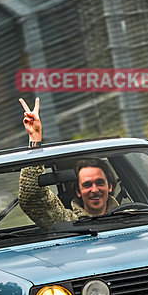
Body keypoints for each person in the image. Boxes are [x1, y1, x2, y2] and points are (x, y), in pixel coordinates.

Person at [17, 98, 119, 230]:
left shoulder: (137, 216)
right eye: (87, 185)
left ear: (110, 186)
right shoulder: (67, 222)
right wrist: (35, 140)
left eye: (99, 183)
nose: (94, 190)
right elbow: (32, 199)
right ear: (78, 191)